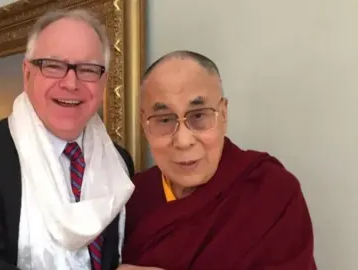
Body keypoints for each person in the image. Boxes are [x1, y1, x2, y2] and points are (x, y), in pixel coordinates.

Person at [0, 9, 138, 270]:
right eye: (53, 66)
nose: (71, 83)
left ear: (104, 82)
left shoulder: (119, 163)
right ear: (28, 73)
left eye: (88, 69)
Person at [121, 50, 317, 270]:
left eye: (199, 116)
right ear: (143, 124)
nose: (183, 141)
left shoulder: (271, 190)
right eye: (164, 119)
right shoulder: (130, 199)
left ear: (223, 115)